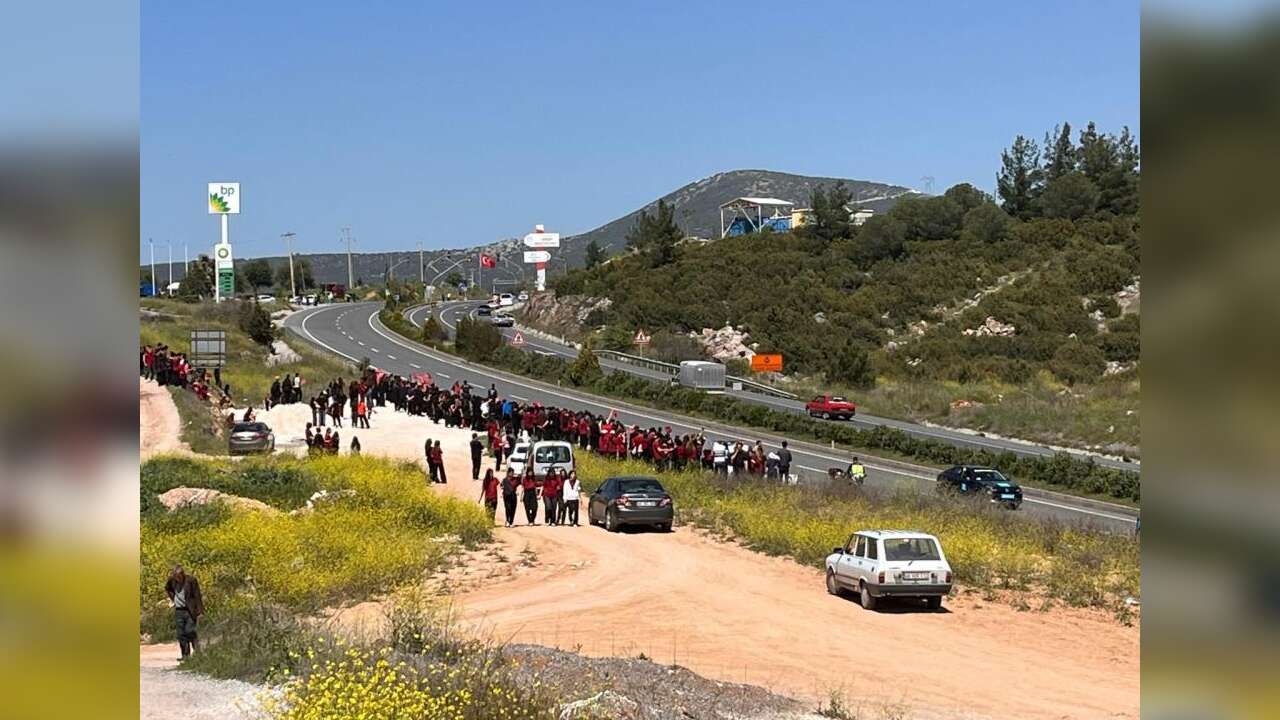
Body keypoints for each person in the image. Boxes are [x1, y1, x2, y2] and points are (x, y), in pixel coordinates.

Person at [165, 565, 204, 660]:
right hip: (179, 610)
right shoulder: (172, 580)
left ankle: (198, 652)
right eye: (175, 576)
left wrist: (200, 611)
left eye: (178, 576)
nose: (177, 578)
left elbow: (197, 595)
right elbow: (168, 588)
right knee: (180, 634)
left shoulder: (191, 580)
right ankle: (185, 656)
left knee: (190, 630)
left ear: (182, 574)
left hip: (190, 610)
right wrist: (173, 598)